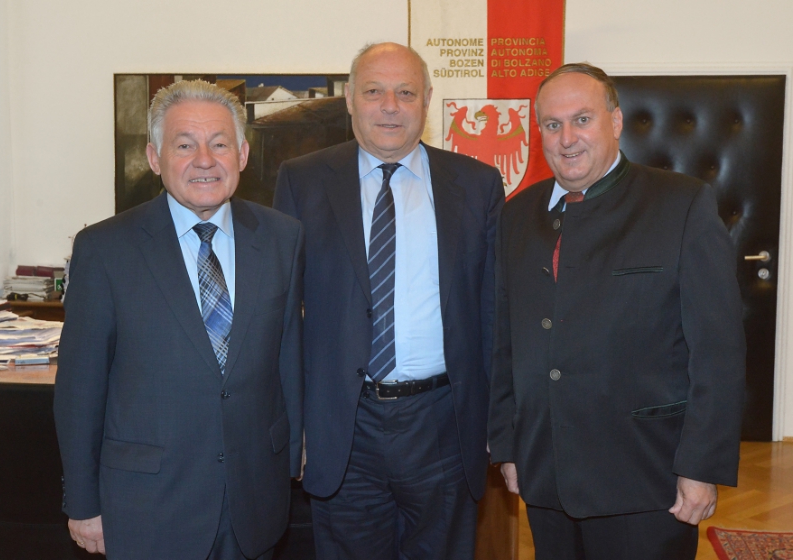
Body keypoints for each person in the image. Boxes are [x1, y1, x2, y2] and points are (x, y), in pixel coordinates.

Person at [487, 62, 746, 560]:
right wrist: (508, 445)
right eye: (552, 124)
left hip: (646, 477)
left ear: (616, 121)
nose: (567, 138)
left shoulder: (680, 204)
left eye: (582, 119)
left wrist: (701, 466)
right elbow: (503, 341)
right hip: (546, 471)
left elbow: (718, 351)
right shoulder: (516, 215)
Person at [54, 80, 304, 560]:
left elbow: (288, 358)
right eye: (184, 145)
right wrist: (83, 503)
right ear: (154, 158)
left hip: (254, 499)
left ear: (242, 155)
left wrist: (290, 457)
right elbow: (79, 389)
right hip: (148, 507)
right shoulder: (105, 249)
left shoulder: (282, 238)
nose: (204, 160)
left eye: (220, 144)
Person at [273, 42, 504, 559]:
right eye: (374, 91)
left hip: (443, 422)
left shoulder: (477, 185)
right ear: (350, 99)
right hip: (343, 426)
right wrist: (295, 424)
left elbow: (493, 313)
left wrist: (496, 421)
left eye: (406, 93)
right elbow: (283, 320)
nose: (390, 107)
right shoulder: (302, 180)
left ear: (427, 101)